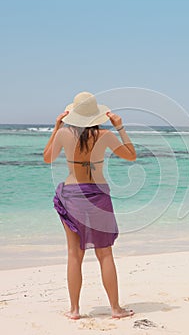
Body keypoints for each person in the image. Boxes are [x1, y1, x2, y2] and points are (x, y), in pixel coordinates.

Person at [43, 91, 136, 320]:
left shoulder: (64, 133)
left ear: (73, 115)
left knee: (75, 254)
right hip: (98, 195)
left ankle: (74, 310)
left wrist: (56, 127)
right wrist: (120, 127)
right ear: (95, 116)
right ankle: (115, 308)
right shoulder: (105, 135)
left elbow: (47, 158)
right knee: (105, 254)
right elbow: (132, 156)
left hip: (71, 195)